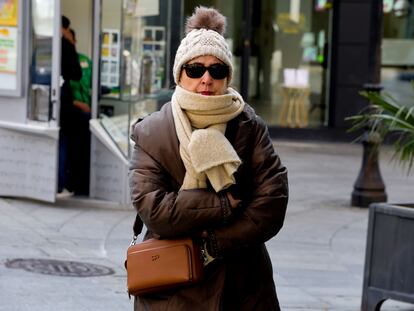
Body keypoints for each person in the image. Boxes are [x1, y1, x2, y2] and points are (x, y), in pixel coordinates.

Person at [129, 6, 288, 311]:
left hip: (242, 286)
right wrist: (224, 205)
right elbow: (154, 209)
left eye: (216, 70)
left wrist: (217, 240)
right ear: (180, 73)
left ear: (227, 76)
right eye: (195, 69)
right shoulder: (152, 131)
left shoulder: (249, 126)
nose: (206, 78)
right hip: (172, 288)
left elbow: (273, 201)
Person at [58, 16, 90, 196]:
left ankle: (59, 182)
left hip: (52, 102)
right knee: (64, 141)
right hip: (65, 103)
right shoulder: (66, 46)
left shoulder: (44, 44)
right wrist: (70, 45)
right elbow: (76, 74)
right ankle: (63, 183)